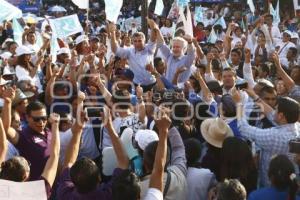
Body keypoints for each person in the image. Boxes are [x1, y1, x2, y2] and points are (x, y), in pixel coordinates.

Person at [56, 105, 129, 199]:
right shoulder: (107, 194)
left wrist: (78, 129)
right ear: (99, 178)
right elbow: (124, 162)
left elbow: (69, 162)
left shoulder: (64, 193)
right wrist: (109, 127)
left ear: (72, 180)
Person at [233, 87, 300, 187]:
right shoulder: (296, 127)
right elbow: (271, 114)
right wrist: (255, 97)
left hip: (271, 185)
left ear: (281, 115)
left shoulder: (274, 136)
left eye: (276, 109)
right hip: (290, 185)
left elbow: (243, 128)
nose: (274, 110)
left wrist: (239, 104)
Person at [109, 19, 159, 91]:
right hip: (137, 85)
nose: (137, 43)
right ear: (132, 42)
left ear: (144, 41)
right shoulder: (129, 51)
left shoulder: (149, 48)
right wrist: (112, 33)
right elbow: (115, 50)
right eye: (135, 41)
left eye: (139, 41)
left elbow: (154, 38)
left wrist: (152, 25)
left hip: (152, 83)